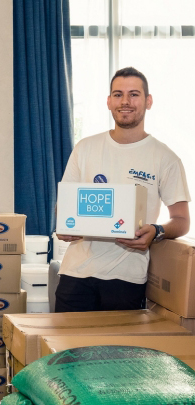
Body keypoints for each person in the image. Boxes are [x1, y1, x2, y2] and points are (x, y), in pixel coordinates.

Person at [56, 67, 190, 312]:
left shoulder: (165, 158)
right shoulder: (85, 148)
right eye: (118, 94)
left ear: (148, 101)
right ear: (109, 102)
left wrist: (157, 231)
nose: (125, 102)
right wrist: (64, 226)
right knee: (69, 350)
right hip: (75, 274)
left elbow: (181, 220)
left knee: (118, 352)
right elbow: (65, 206)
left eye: (134, 94)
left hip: (127, 279)